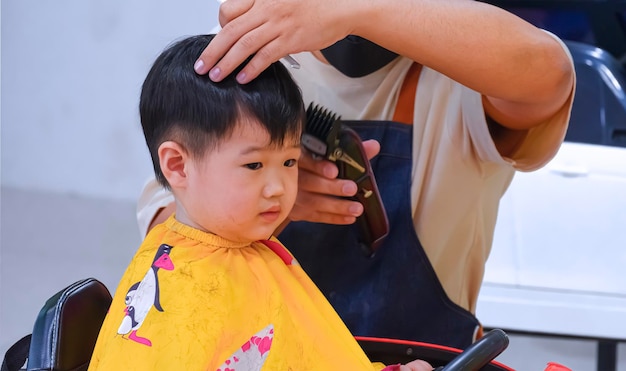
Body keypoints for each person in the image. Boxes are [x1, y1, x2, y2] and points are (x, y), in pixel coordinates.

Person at [140, 0, 576, 351]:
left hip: (422, 356)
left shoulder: (467, 66)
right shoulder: (254, 52)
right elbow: (168, 255)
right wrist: (266, 203)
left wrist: (354, 11)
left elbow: (549, 71)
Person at [90, 34, 430, 371]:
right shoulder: (192, 293)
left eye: (289, 162)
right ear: (178, 165)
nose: (278, 188)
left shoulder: (250, 253)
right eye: (254, 165)